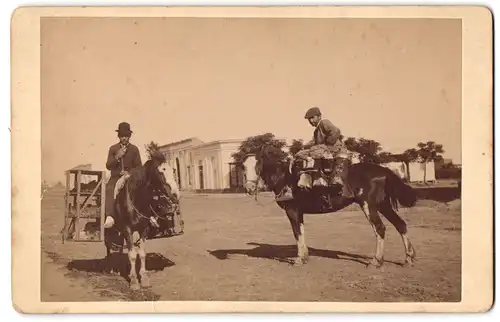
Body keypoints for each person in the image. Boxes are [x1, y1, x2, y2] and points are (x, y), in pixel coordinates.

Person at [275, 106, 353, 202]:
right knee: (299, 155)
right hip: (324, 149)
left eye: (312, 118)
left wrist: (326, 145)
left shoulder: (324, 122)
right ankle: (305, 181)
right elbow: (316, 143)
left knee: (301, 155)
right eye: (309, 119)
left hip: (333, 148)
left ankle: (301, 183)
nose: (311, 121)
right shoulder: (316, 130)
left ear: (319, 116)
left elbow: (336, 131)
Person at [103, 122, 143, 228]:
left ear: (129, 136)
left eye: (126, 136)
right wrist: (117, 156)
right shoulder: (113, 148)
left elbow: (139, 167)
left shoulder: (134, 149)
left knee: (142, 189)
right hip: (116, 177)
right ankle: (110, 216)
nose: (124, 138)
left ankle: (144, 215)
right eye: (122, 136)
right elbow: (108, 165)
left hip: (130, 178)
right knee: (109, 189)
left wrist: (129, 173)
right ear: (119, 136)